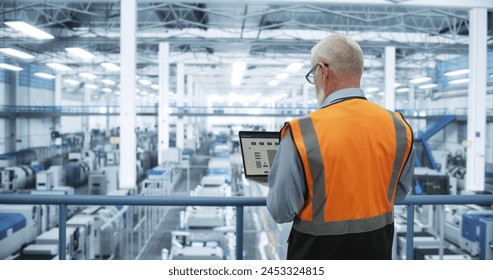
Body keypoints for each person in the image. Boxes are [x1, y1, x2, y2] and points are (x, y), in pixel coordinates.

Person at [266, 34, 415, 260]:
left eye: (312, 74)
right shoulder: (398, 127)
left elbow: (281, 210)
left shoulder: (302, 131)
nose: (315, 79)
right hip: (377, 252)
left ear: (323, 70)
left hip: (315, 254)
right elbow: (399, 193)